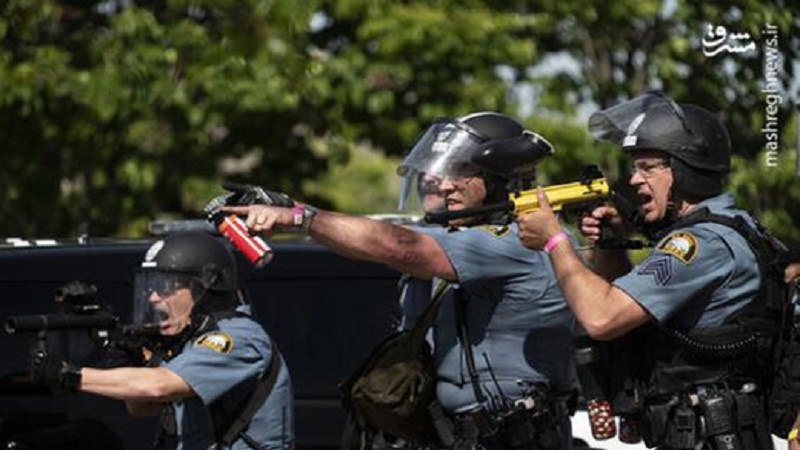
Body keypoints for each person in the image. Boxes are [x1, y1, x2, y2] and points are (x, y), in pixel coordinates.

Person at [223, 112, 577, 450]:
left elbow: (401, 245)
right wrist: (289, 207)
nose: (445, 184)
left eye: (462, 171)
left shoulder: (518, 241)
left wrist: (298, 217)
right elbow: (381, 240)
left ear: (502, 179)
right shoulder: (459, 244)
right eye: (445, 170)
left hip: (515, 437)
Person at [516, 92, 788, 450]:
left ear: (686, 169)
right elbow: (624, 305)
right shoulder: (726, 229)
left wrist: (555, 241)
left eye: (648, 167)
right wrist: (612, 244)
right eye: (634, 168)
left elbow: (602, 317)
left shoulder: (699, 244)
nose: (633, 180)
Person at [30, 231, 294, 450]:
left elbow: (157, 387)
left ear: (205, 289)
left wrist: (70, 375)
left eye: (167, 286)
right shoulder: (190, 342)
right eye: (152, 286)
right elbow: (142, 408)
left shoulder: (238, 338)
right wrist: (130, 359)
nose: (154, 298)